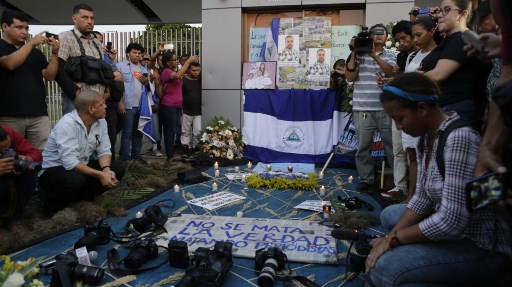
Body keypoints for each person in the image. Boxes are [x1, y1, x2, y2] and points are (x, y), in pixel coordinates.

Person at [367, 72, 512, 286]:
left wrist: (393, 240)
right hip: (451, 228)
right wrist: (392, 238)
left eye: (400, 119)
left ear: (422, 110)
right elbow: (423, 197)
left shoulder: (458, 138)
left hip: (480, 245)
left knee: (385, 270)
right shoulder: (426, 137)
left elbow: (451, 221)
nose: (398, 127)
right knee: (391, 216)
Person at [39, 90, 125, 213]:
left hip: (79, 167)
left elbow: (104, 150)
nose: (106, 106)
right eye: (101, 104)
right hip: (54, 171)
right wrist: (101, 175)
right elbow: (70, 163)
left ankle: (81, 200)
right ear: (91, 109)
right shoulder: (67, 124)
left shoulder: (101, 122)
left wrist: (106, 170)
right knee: (75, 180)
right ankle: (51, 208)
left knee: (116, 169)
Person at [345, 23, 397, 193]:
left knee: (392, 146)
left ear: (387, 37)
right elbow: (350, 76)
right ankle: (366, 179)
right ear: (370, 36)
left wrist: (374, 56)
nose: (378, 36)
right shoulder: (358, 55)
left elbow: (391, 73)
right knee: (362, 147)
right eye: (375, 33)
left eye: (382, 33)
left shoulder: (392, 54)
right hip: (363, 108)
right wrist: (354, 50)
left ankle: (398, 180)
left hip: (386, 108)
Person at [0, 9, 59, 151]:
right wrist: (31, 44)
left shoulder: (35, 52)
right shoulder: (2, 47)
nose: (24, 32)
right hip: (9, 115)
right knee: (10, 155)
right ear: (5, 27)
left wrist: (55, 54)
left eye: (26, 28)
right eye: (19, 27)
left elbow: (49, 76)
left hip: (39, 114)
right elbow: (9, 64)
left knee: (42, 155)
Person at [419, 0, 482, 124]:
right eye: (440, 11)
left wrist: (414, 77)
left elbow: (438, 75)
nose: (440, 15)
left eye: (447, 10)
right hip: (444, 108)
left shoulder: (463, 38)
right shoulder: (449, 40)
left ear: (463, 14)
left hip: (456, 110)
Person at [382, 20, 418, 198]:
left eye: (404, 38)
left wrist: (398, 78)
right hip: (400, 106)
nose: (402, 43)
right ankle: (400, 186)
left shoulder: (423, 54)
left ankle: (415, 191)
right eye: (398, 40)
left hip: (415, 109)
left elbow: (413, 80)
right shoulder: (402, 56)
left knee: (414, 152)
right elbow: (401, 78)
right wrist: (393, 79)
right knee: (398, 149)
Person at [56, 3, 113, 114]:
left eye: (92, 18)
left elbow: (101, 70)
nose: (90, 21)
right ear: (74, 18)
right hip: (76, 102)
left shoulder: (96, 42)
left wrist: (106, 91)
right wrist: (76, 93)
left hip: (98, 101)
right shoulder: (66, 37)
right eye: (85, 17)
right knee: (75, 131)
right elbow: (58, 68)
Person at [159, 51, 199, 162]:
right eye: (174, 59)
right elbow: (177, 75)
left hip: (176, 106)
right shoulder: (167, 72)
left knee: (173, 130)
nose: (177, 61)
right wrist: (189, 61)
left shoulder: (173, 70)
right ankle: (170, 156)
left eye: (177, 59)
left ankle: (170, 155)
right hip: (168, 106)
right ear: (167, 62)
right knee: (170, 131)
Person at [0, 125, 42, 226]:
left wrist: (27, 159)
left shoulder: (7, 131)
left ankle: (15, 217)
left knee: (29, 172)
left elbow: (35, 153)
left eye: (8, 147)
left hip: (8, 176)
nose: (6, 152)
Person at [116, 43, 149, 162]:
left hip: (141, 106)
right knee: (127, 132)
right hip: (127, 106)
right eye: (134, 52)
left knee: (138, 132)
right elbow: (116, 87)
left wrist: (146, 83)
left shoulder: (143, 69)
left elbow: (147, 89)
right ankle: (125, 158)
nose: (137, 55)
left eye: (139, 53)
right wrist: (119, 103)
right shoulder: (120, 66)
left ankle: (136, 156)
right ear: (128, 53)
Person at [181, 62, 202, 151]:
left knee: (197, 132)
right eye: (193, 70)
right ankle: (185, 148)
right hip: (186, 110)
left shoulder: (202, 80)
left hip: (199, 111)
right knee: (185, 132)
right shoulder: (184, 80)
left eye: (198, 70)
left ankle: (196, 149)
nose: (196, 72)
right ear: (189, 70)